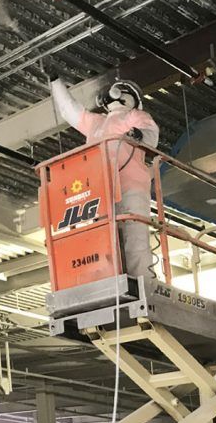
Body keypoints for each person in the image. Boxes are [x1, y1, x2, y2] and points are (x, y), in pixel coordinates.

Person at [51, 78, 161, 281]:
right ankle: (108, 278)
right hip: (101, 189)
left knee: (134, 234)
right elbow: (69, 110)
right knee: (104, 236)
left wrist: (138, 135)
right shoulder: (96, 122)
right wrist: (55, 82)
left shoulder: (134, 116)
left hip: (130, 185)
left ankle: (142, 281)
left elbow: (150, 135)